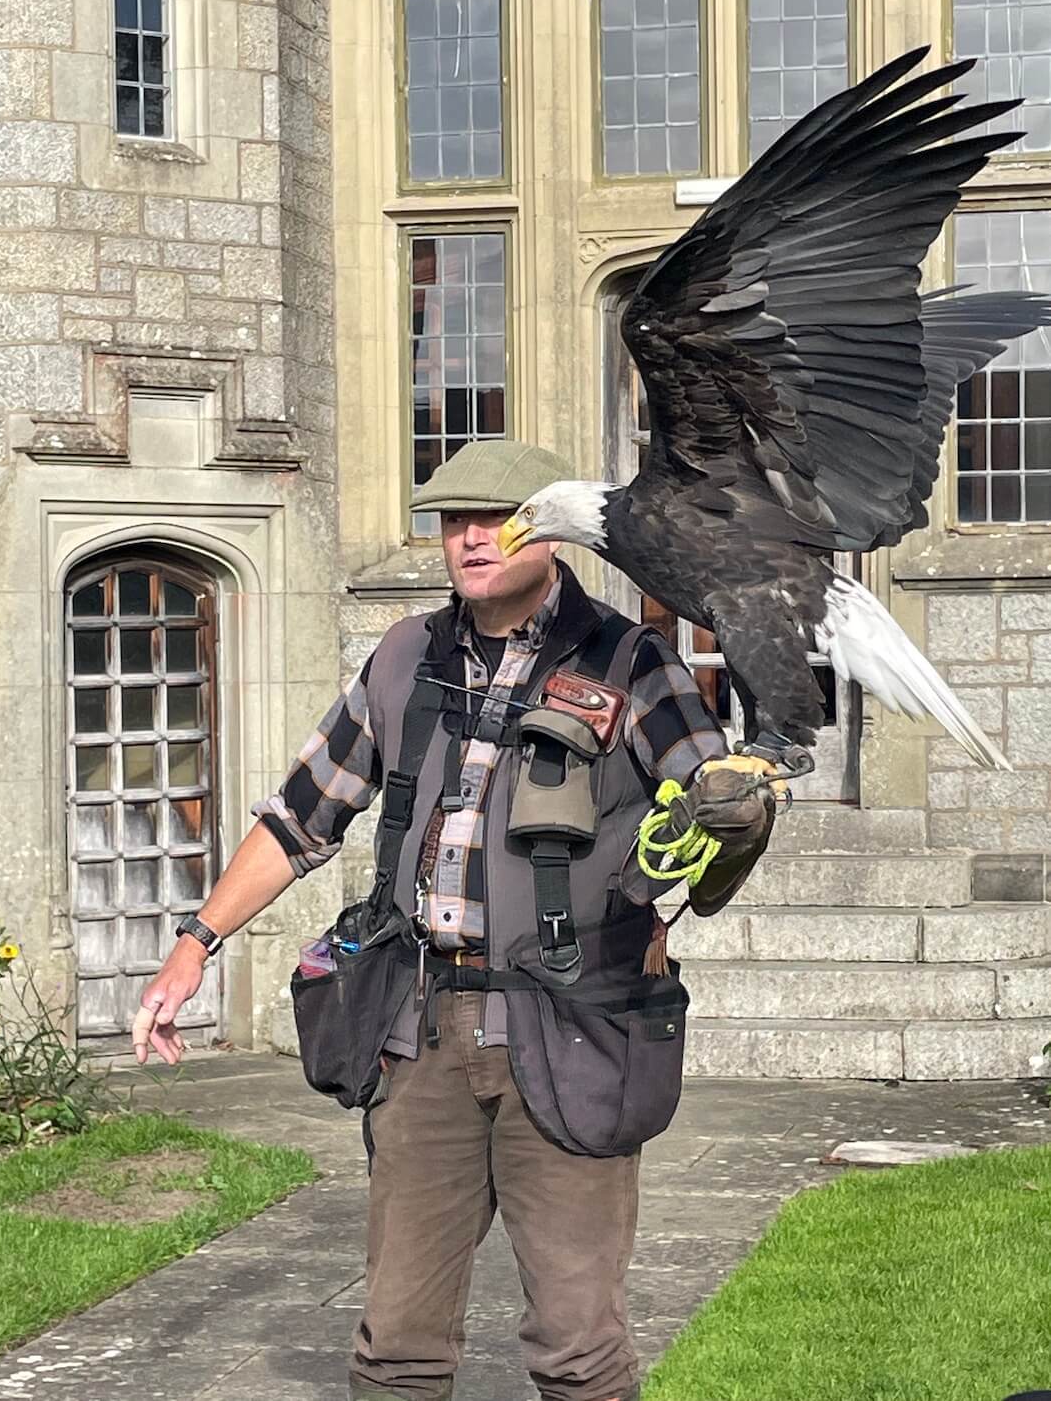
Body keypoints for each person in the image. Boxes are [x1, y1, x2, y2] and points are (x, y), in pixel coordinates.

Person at [132, 440, 776, 1401]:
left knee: (579, 1351)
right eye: (453, 520)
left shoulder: (633, 658)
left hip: (573, 1031)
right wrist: (194, 946)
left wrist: (734, 809)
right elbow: (298, 815)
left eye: (499, 516)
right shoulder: (404, 657)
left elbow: (718, 802)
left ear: (550, 531)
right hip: (420, 1032)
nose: (473, 537)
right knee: (395, 1350)